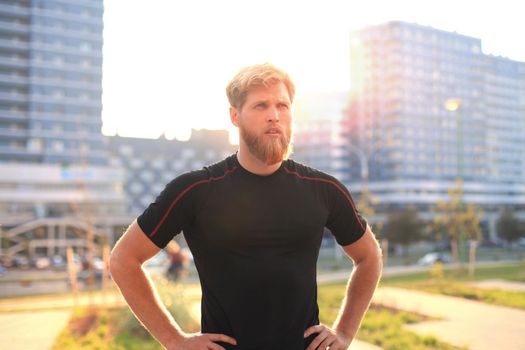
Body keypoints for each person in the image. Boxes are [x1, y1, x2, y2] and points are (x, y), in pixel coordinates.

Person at [110, 63, 383, 350]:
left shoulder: (324, 189)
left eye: (282, 105)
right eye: (261, 106)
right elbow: (123, 260)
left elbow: (369, 256)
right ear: (235, 116)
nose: (274, 116)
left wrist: (344, 332)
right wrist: (174, 340)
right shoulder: (195, 190)